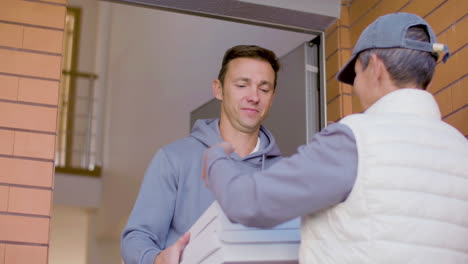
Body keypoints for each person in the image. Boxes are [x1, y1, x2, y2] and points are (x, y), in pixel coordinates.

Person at [203, 13, 468, 263]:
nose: (355, 89)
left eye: (356, 75)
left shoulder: (356, 140)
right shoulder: (460, 148)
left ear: (375, 66)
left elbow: (248, 201)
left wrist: (215, 159)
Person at [121, 45, 283, 264]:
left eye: (264, 89)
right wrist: (157, 259)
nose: (253, 97)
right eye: (242, 85)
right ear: (218, 89)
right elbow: (137, 238)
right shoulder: (174, 159)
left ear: (272, 98)